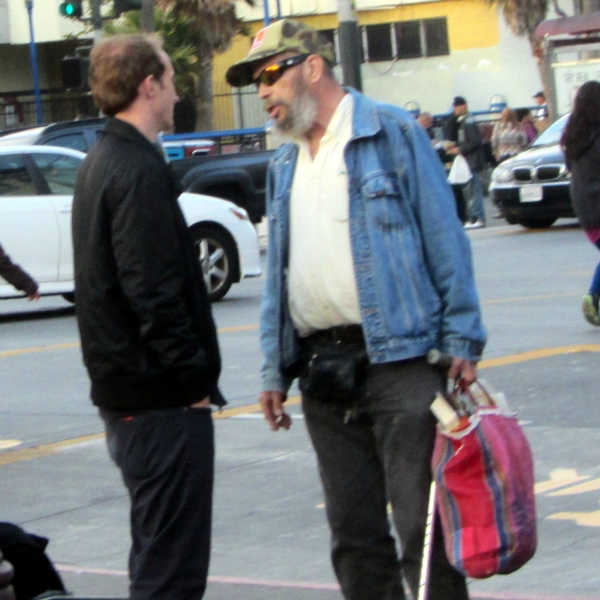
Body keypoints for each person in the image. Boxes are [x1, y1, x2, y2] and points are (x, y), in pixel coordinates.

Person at [226, 18, 486, 600]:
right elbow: (280, 279)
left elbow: (445, 240)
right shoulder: (285, 164)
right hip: (324, 371)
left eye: (270, 75)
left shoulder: (389, 133)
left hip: (401, 364)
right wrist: (275, 368)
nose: (262, 92)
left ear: (311, 68)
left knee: (423, 530)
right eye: (254, 81)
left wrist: (463, 339)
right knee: (352, 533)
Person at [72, 34, 224, 600]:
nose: (178, 92)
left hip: (132, 399)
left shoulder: (102, 160)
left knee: (156, 556)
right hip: (158, 402)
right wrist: (192, 384)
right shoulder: (134, 170)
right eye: (171, 78)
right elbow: (153, 294)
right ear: (148, 85)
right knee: (172, 573)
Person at [561, 80, 600, 327]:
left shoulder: (573, 135)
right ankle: (593, 296)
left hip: (586, 212)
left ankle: (594, 297)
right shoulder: (597, 137)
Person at [443, 96, 487, 229]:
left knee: (474, 191)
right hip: (469, 160)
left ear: (463, 106)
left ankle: (478, 217)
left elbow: (475, 141)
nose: (455, 109)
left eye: (457, 106)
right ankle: (474, 217)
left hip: (472, 160)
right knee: (471, 191)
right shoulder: (464, 120)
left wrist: (460, 149)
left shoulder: (467, 121)